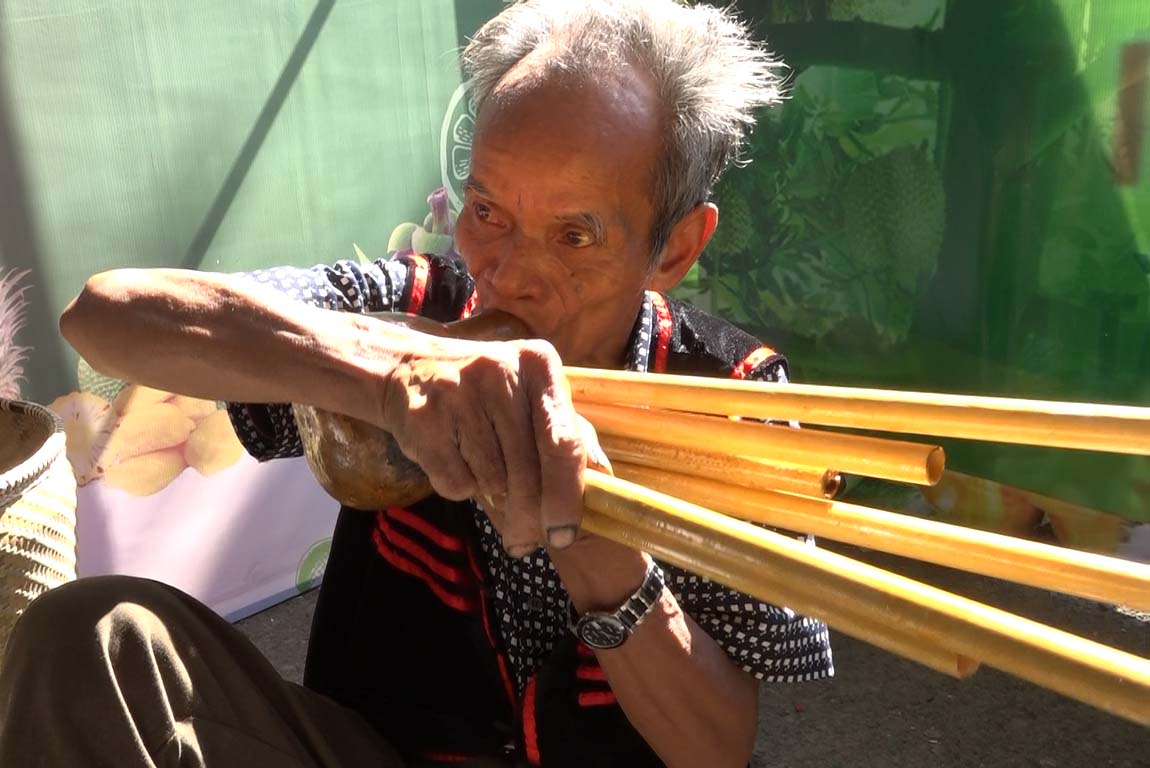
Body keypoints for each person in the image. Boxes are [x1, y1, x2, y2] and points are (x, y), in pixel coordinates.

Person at [0, 1, 833, 766]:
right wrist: (384, 370)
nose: (509, 273)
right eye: (487, 212)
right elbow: (102, 317)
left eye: (574, 236)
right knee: (91, 635)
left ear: (676, 248)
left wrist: (602, 549)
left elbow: (716, 749)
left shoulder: (737, 402)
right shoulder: (417, 315)